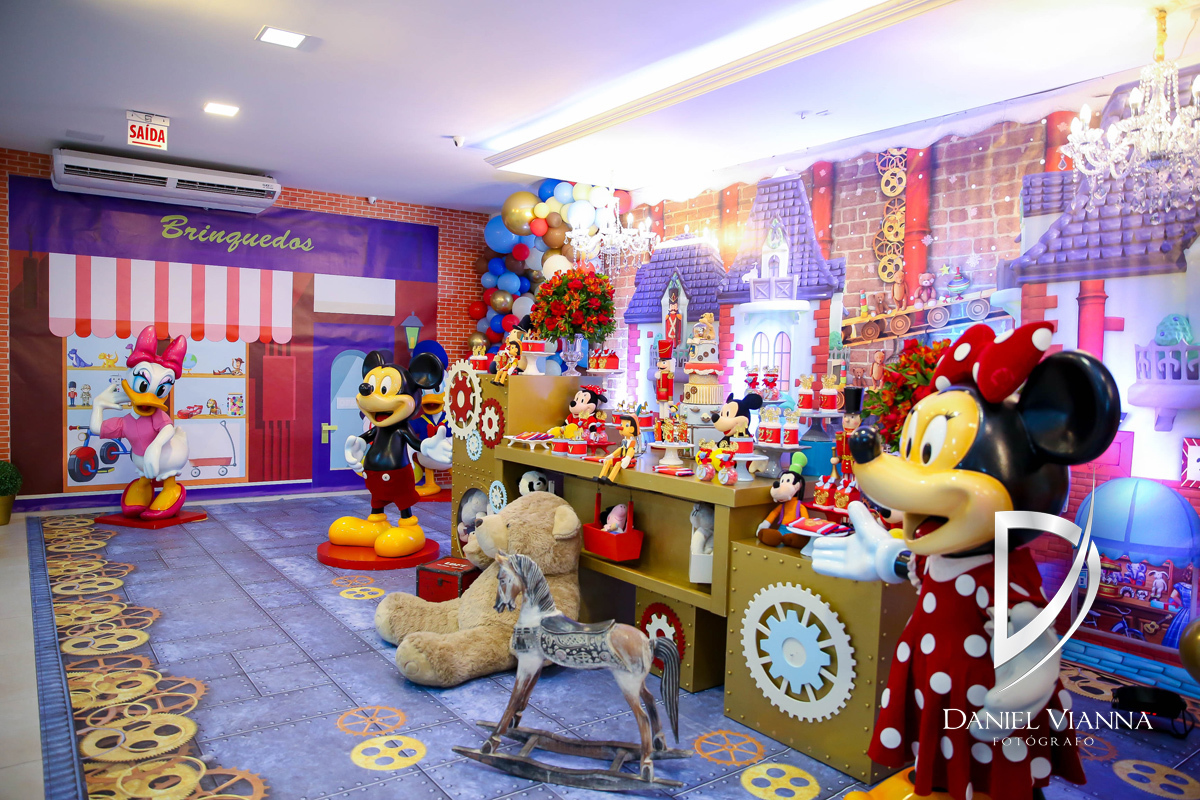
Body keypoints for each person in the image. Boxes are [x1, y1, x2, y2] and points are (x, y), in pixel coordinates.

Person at [598, 415, 642, 484]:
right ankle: (601, 477)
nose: (621, 427)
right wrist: (612, 455)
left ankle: (610, 479)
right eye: (621, 424)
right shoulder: (624, 441)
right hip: (621, 458)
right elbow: (620, 450)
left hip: (629, 461)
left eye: (626, 425)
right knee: (608, 462)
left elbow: (631, 451)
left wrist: (627, 458)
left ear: (632, 429)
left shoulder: (631, 442)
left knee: (618, 463)